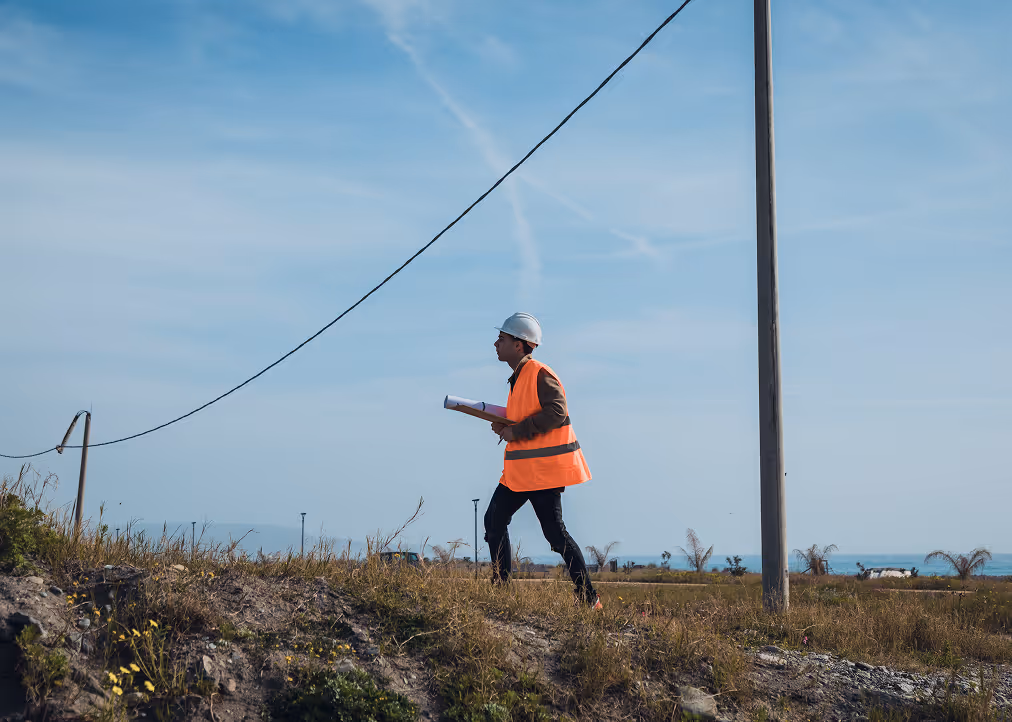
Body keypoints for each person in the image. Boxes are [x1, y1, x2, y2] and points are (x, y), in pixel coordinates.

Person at [484, 312, 601, 609]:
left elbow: (556, 412)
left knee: (555, 534)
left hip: (542, 473)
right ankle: (501, 592)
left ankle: (590, 600)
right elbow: (527, 418)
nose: (496, 343)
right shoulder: (519, 377)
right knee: (494, 521)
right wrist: (505, 428)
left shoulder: (538, 372)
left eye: (502, 338)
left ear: (520, 345)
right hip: (521, 473)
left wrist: (517, 430)